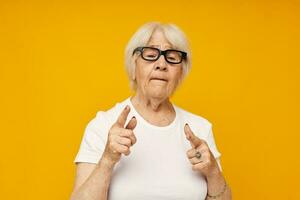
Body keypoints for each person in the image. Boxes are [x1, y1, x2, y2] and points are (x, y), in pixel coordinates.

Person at [70, 22, 232, 200]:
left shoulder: (200, 128)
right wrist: (107, 159)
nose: (161, 64)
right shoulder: (102, 126)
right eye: (150, 55)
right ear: (134, 65)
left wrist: (213, 172)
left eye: (172, 57)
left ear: (181, 71)